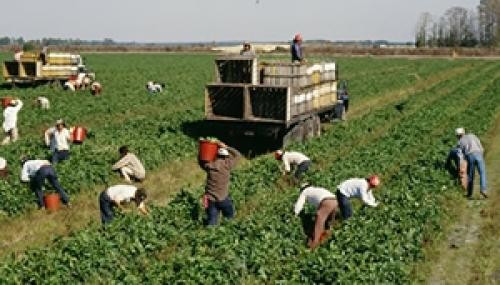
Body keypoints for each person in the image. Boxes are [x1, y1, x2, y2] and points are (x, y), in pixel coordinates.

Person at [199, 141, 240, 225]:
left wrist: (202, 150)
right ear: (226, 157)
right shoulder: (227, 165)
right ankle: (227, 231)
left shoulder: (209, 166)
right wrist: (226, 147)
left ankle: (210, 234)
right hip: (223, 198)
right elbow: (237, 155)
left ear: (216, 155)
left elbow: (201, 161)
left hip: (210, 199)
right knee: (229, 217)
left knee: (212, 221)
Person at [294, 183, 338, 249]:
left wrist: (294, 214)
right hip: (336, 202)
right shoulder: (317, 189)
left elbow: (299, 205)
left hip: (326, 202)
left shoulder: (305, 191)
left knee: (319, 221)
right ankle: (327, 241)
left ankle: (314, 245)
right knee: (329, 225)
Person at [456, 128, 488, 199]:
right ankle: (483, 191)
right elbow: (480, 145)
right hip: (479, 153)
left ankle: (470, 193)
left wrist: (461, 165)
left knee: (471, 175)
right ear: (464, 132)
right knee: (482, 173)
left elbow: (460, 155)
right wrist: (481, 154)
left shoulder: (460, 142)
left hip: (470, 156)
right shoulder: (472, 135)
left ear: (458, 136)